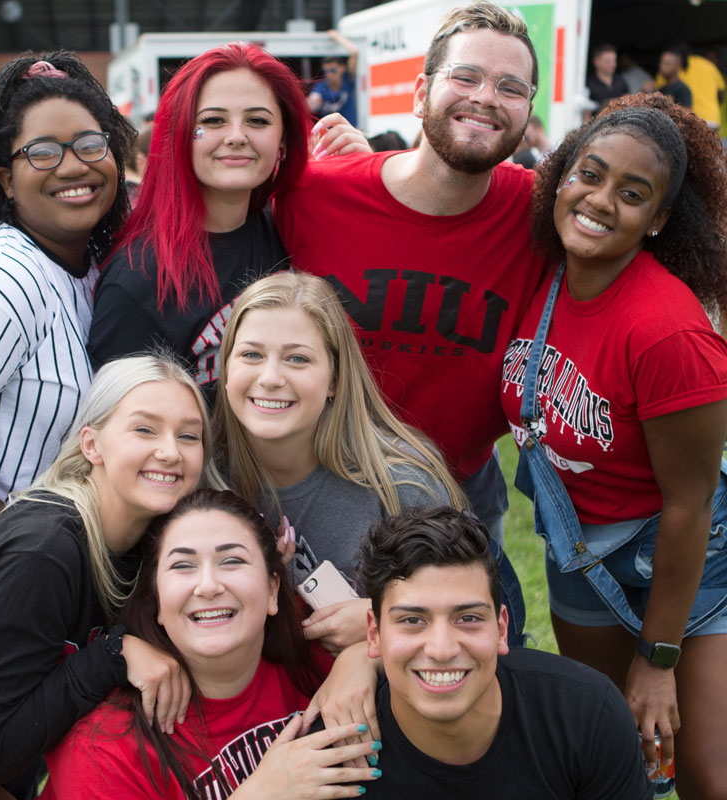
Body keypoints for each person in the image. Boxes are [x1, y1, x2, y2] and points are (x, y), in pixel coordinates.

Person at [501, 95, 727, 798]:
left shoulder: (669, 332)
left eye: (632, 194)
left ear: (658, 219)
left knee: (705, 774)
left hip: (685, 558)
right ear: (561, 174)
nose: (601, 201)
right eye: (589, 175)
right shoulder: (538, 270)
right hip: (578, 554)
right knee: (611, 762)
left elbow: (690, 506)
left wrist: (658, 659)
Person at [275, 2, 546, 548]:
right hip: (325, 483)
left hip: (464, 487)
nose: (486, 97)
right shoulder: (312, 193)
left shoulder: (542, 215)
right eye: (465, 76)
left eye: (511, 88)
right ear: (420, 94)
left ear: (526, 111)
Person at [0, 354, 216, 798]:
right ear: (92, 445)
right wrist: (115, 654)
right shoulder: (42, 552)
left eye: (188, 435)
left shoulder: (153, 539)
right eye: (145, 429)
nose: (170, 451)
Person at [213, 271, 525, 654]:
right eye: (251, 355)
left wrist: (379, 620)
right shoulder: (204, 480)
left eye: (297, 358)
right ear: (225, 369)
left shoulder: (403, 486)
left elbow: (473, 619)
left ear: (334, 379)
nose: (271, 377)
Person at [43, 488, 382, 799]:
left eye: (232, 560)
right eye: (182, 565)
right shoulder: (104, 750)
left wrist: (362, 658)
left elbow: (424, 647)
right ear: (158, 601)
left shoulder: (316, 657)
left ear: (272, 590)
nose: (207, 586)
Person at [0, 52, 134, 561]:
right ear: (5, 180)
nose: (73, 165)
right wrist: (21, 555)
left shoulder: (85, 261)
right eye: (42, 152)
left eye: (90, 144)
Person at [87, 43, 369, 403]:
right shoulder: (136, 279)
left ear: (282, 143)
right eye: (212, 120)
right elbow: (123, 430)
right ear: (180, 137)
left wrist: (366, 183)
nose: (236, 136)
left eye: (258, 120)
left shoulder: (294, 230)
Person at [352, 506, 653, 798]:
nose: (441, 650)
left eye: (468, 618)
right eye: (413, 620)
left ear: (501, 629)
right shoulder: (330, 763)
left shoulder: (588, 717)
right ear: (374, 634)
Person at [307, 30, 359, 127]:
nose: (329, 74)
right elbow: (312, 102)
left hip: (350, 133)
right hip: (330, 137)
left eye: (333, 70)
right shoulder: (321, 86)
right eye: (326, 71)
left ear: (342, 68)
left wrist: (337, 37)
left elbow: (354, 52)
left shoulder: (347, 80)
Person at [585, 43, 629, 120]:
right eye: (608, 61)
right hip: (597, 127)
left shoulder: (620, 80)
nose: (613, 64)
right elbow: (586, 114)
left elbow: (628, 103)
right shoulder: (588, 84)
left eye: (614, 60)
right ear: (596, 62)